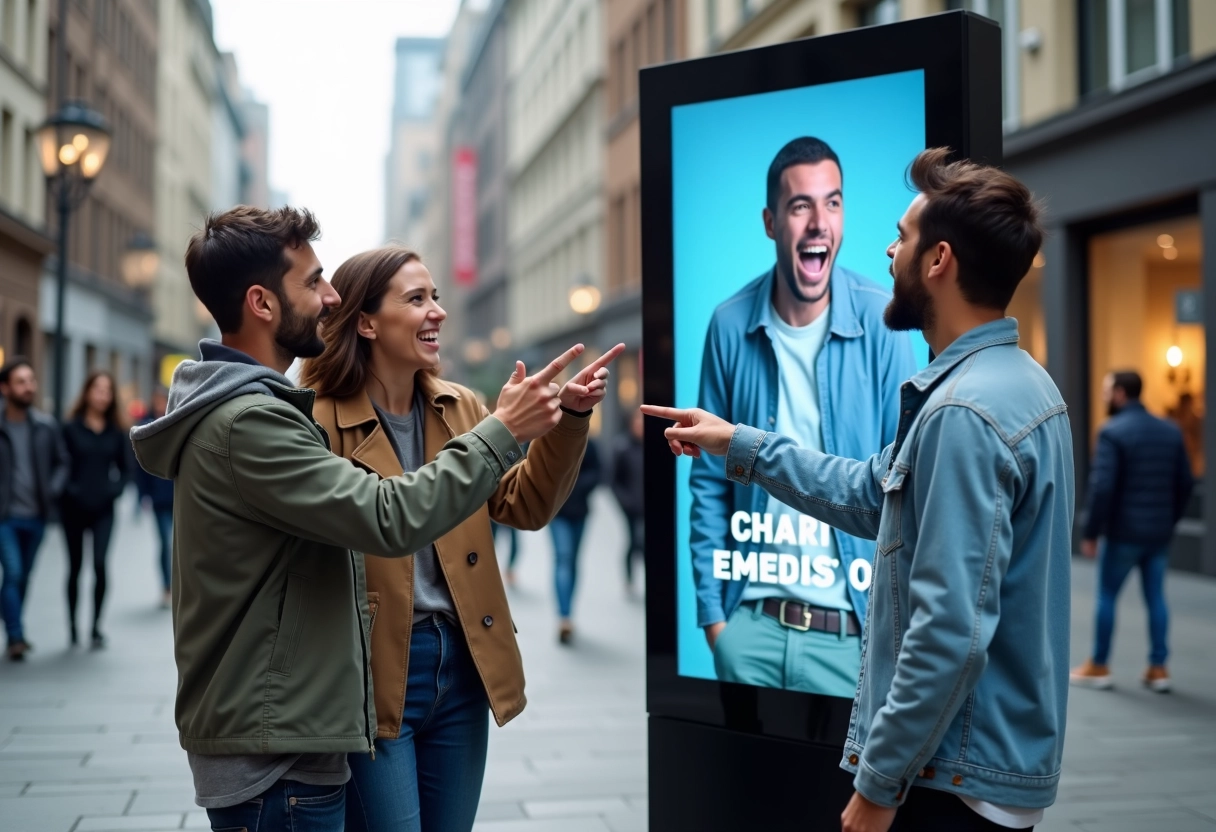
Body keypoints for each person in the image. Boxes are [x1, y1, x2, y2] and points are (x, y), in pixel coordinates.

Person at [645, 148, 1071, 831]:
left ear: (938, 262)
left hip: (953, 776)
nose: (887, 249)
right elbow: (871, 493)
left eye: (902, 237)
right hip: (981, 765)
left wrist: (877, 785)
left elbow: (949, 632)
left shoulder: (964, 412)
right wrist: (739, 442)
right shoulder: (1020, 385)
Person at [130, 206, 576, 832]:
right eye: (313, 282)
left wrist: (557, 425)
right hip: (286, 736)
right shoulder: (261, 422)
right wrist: (503, 430)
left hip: (317, 719)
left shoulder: (267, 411)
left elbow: (521, 504)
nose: (329, 295)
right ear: (261, 302)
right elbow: (385, 515)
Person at [301, 245, 622, 832]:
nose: (438, 313)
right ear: (367, 322)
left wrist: (569, 421)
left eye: (437, 297)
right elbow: (380, 519)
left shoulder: (460, 405)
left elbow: (523, 504)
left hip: (463, 664)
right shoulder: (319, 421)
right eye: (417, 299)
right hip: (372, 672)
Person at [690, 136, 916, 698]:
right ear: (771, 222)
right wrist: (716, 622)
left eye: (833, 202)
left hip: (854, 634)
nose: (819, 222)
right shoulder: (728, 324)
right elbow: (707, 483)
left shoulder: (882, 319)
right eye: (801, 206)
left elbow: (904, 477)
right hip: (752, 629)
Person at [1070, 371, 1193, 693]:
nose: (1103, 396)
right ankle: (1158, 667)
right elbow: (1185, 483)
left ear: (1121, 393)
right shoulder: (1170, 430)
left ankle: (1099, 664)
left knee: (1107, 596)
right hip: (1158, 533)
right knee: (1156, 598)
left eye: (1106, 390)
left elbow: (1102, 487)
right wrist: (1171, 520)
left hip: (1123, 533)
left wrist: (1091, 531)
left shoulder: (1112, 431)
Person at [0, 358, 69, 660]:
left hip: (38, 515)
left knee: (23, 576)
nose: (29, 387)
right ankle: (16, 636)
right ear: (5, 388)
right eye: (21, 382)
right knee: (13, 573)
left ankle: (13, 623)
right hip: (5, 517)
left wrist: (53, 489)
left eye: (31, 381)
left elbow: (62, 462)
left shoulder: (45, 426)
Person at [61, 370, 130, 649]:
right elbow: (60, 464)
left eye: (107, 390)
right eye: (97, 389)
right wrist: (70, 489)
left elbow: (127, 470)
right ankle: (73, 627)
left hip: (104, 509)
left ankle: (95, 627)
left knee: (100, 564)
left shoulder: (117, 431)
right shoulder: (70, 428)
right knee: (75, 567)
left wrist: (114, 490)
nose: (102, 395)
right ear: (87, 392)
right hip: (73, 508)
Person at [550, 436, 602, 645]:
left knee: (572, 561)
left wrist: (575, 487)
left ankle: (568, 612)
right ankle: (564, 616)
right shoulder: (548, 437)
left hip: (579, 510)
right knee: (564, 557)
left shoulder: (589, 442)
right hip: (556, 512)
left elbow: (597, 472)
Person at [135, 387, 175, 608]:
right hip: (159, 498)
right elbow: (140, 467)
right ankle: (167, 586)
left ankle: (176, 586)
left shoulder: (177, 421)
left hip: (178, 496)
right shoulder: (146, 426)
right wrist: (143, 494)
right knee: (165, 543)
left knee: (177, 544)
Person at [610, 407, 645, 594]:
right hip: (631, 507)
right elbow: (614, 481)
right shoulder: (623, 447)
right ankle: (630, 578)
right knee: (633, 541)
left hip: (648, 507)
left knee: (645, 542)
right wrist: (626, 502)